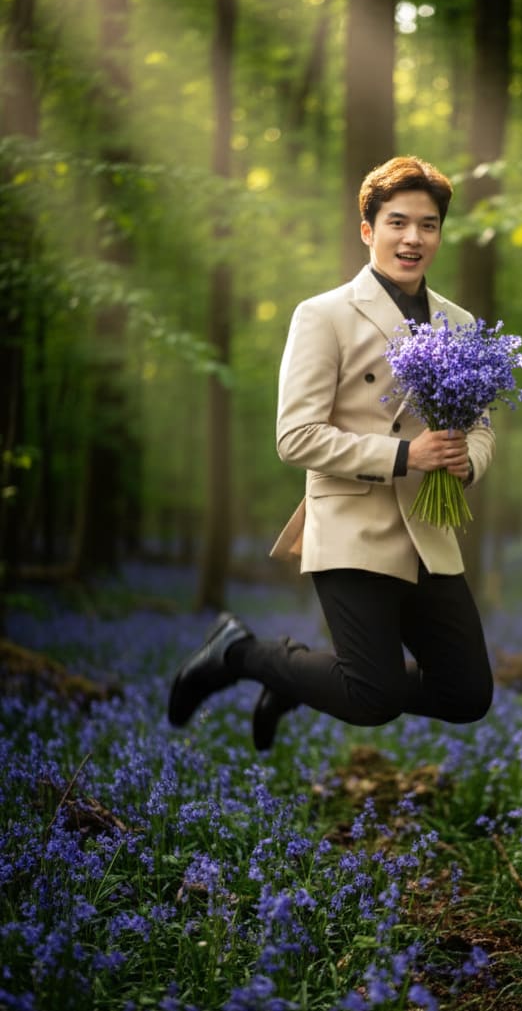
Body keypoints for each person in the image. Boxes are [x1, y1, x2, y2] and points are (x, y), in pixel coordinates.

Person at [168, 156, 495, 750]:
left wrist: (465, 461)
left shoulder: (460, 322)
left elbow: (482, 429)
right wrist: (405, 455)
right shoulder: (323, 315)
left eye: (428, 225)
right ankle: (241, 654)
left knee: (467, 695)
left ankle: (292, 680)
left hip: (430, 529)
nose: (413, 238)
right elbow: (295, 435)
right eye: (397, 222)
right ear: (368, 230)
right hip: (353, 527)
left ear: (440, 235)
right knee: (373, 700)